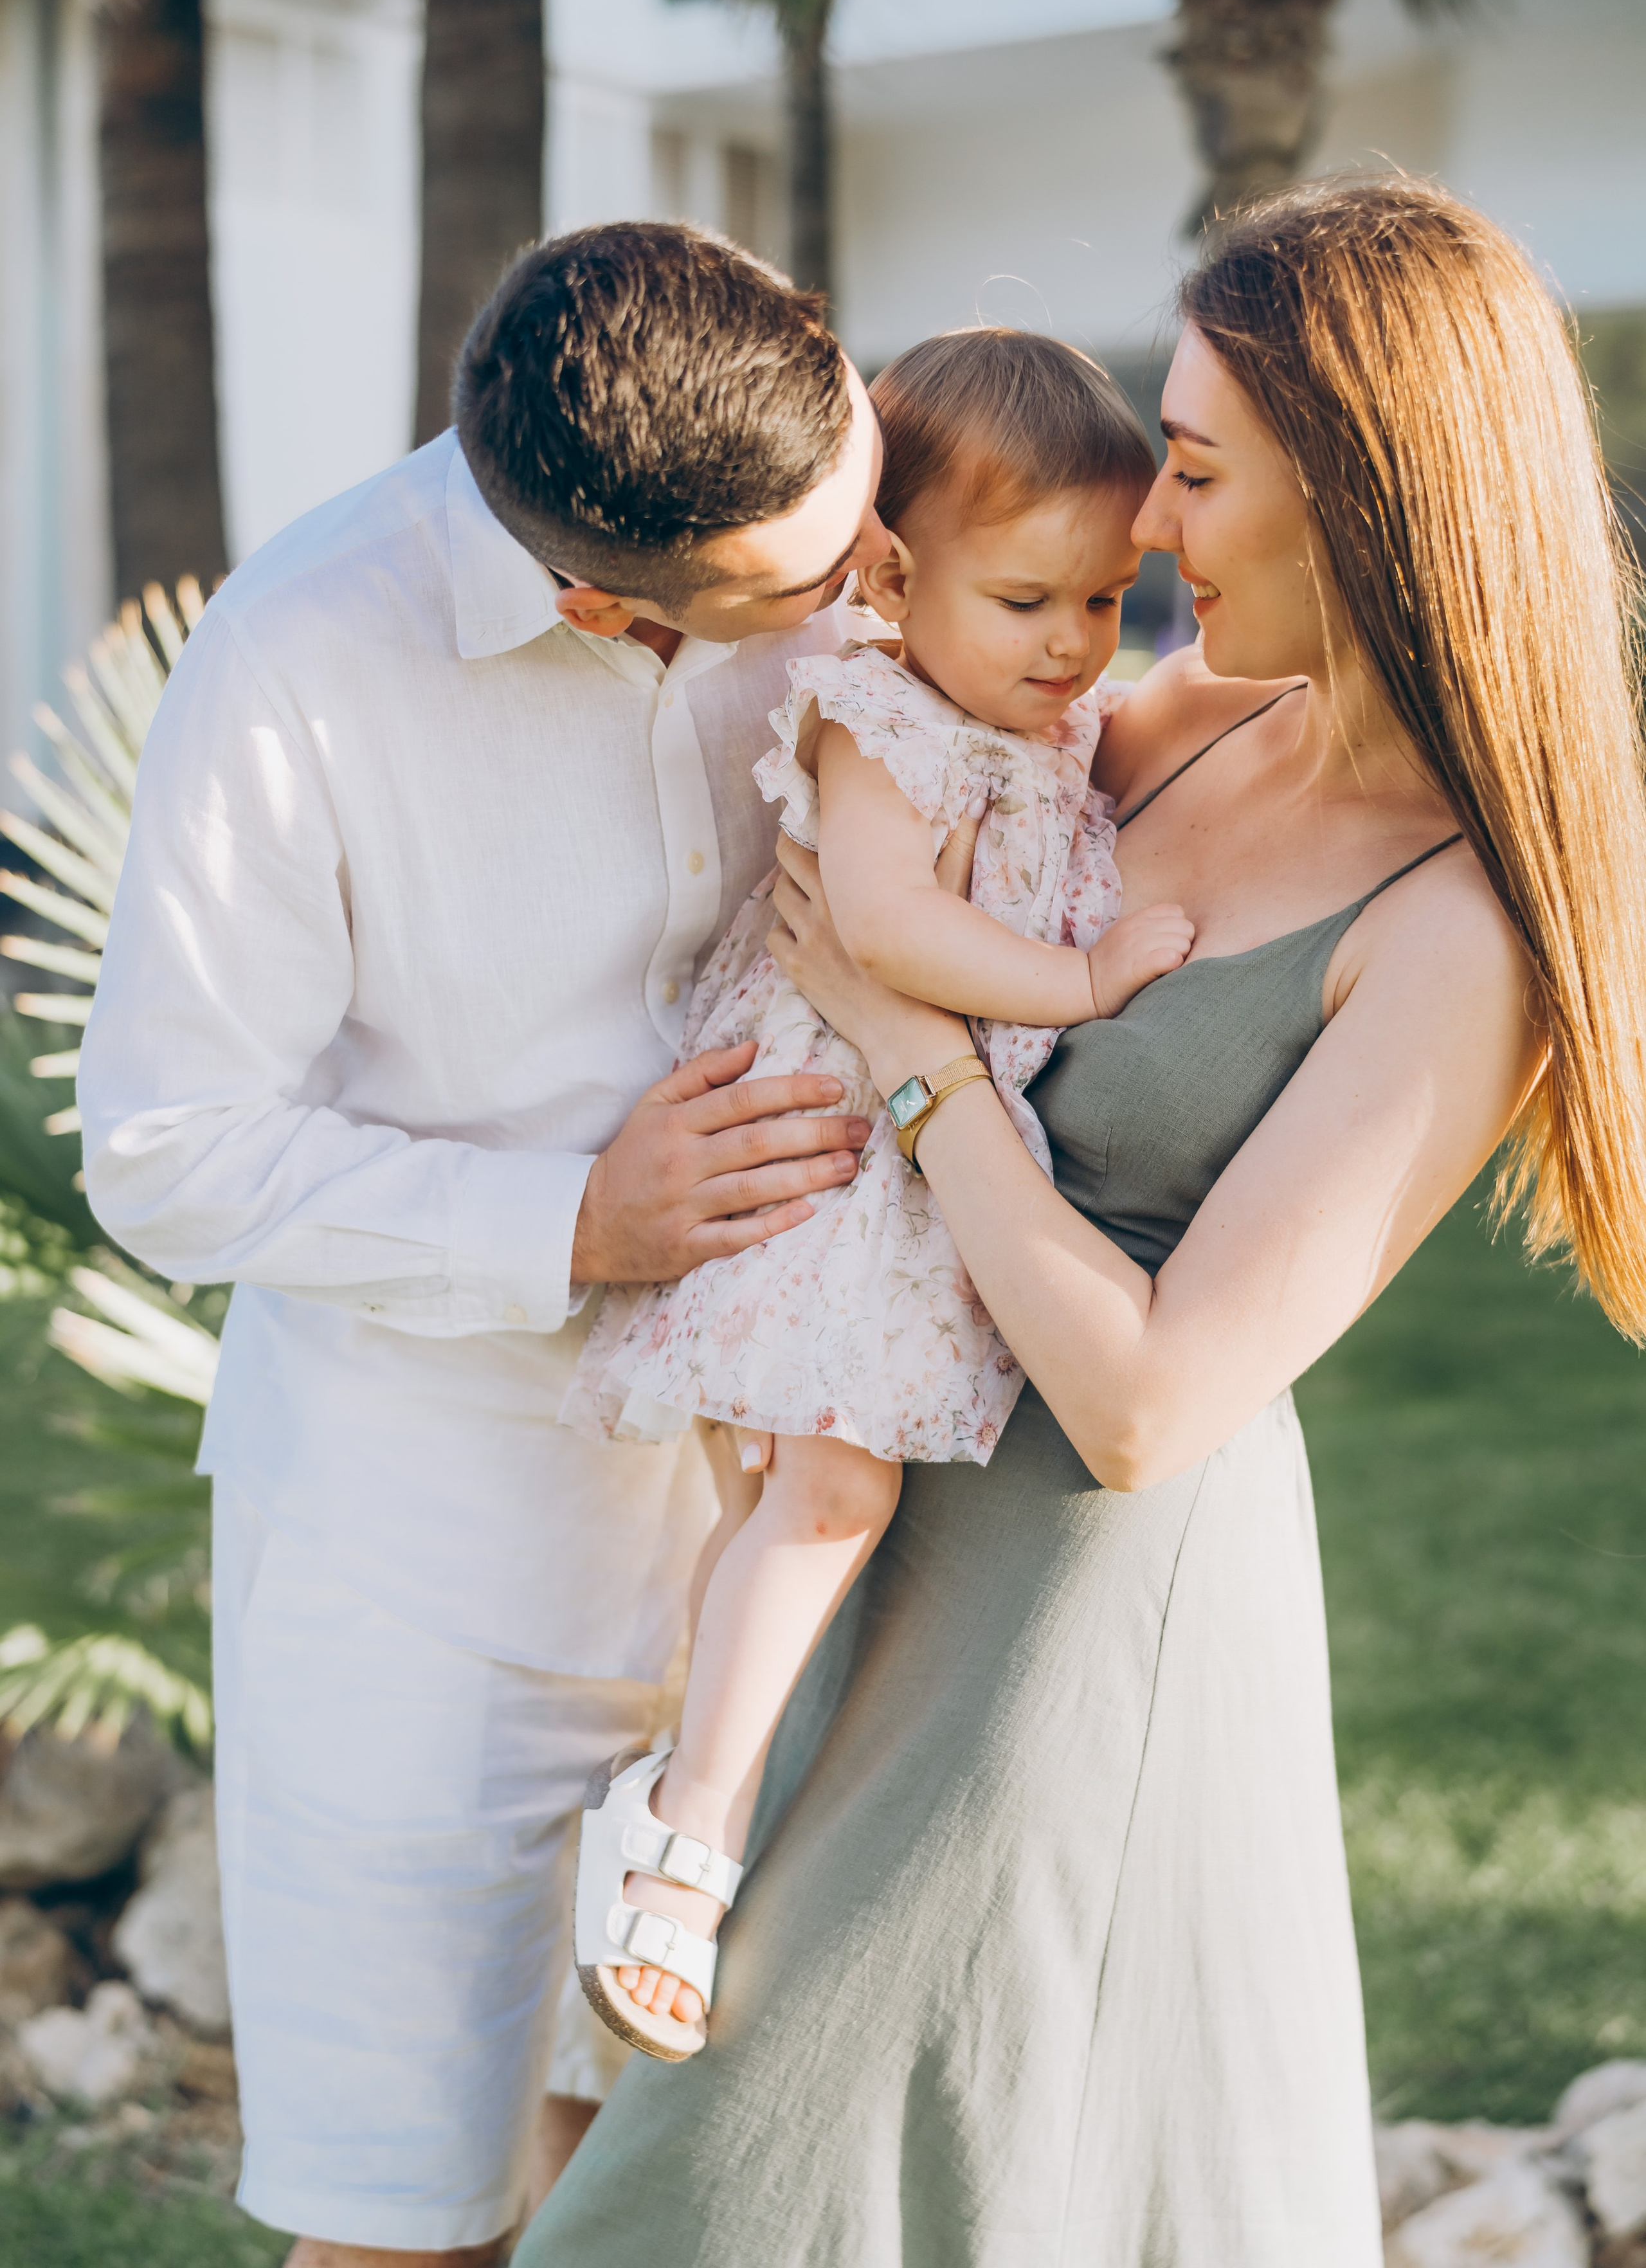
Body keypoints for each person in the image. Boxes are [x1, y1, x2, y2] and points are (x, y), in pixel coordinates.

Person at [516, 176, 1646, 2266]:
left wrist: (908, 1053)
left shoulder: (1457, 933)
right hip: (890, 1507)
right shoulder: (1159, 724)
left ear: (1365, 501)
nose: (1143, 531)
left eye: (1198, 473)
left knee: (763, 2193)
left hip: (1085, 1622)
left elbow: (1146, 1402)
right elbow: (895, 734)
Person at [76, 222, 896, 2268]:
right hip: (423, 1563)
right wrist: (577, 1221)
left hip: (787, 1532)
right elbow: (165, 1149)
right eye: (816, 582)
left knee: (646, 2201)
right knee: (405, 2229)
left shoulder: (831, 508)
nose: (873, 582)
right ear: (604, 601)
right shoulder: (297, 664)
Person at [563, 329, 1195, 2060]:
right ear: (895, 575)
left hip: (899, 1163)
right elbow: (888, 933)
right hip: (834, 1162)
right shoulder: (877, 716)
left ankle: (679, 1795)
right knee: (830, 1496)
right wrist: (1084, 984)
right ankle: (687, 1842)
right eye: (1030, 604)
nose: (1077, 647)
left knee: (791, 1500)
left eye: (1105, 602)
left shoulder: (1021, 718)